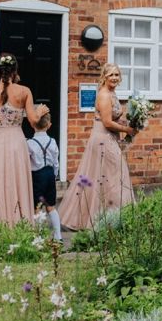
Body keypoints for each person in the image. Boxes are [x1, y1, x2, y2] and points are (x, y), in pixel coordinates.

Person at [0, 53, 48, 238]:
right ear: (15, 70)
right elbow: (33, 122)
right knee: (17, 182)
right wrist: (40, 112)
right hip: (16, 141)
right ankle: (19, 228)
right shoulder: (24, 91)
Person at [58, 63, 136, 231]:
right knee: (114, 176)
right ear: (104, 77)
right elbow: (107, 123)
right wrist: (127, 129)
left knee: (106, 178)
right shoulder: (104, 95)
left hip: (109, 138)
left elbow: (112, 118)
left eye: (117, 74)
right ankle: (106, 220)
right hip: (103, 139)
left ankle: (109, 218)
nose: (114, 78)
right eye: (111, 75)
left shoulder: (112, 93)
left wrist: (129, 122)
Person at [27, 112, 62, 242]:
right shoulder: (52, 141)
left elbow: (27, 162)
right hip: (50, 175)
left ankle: (39, 237)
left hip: (37, 177)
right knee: (51, 206)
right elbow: (56, 161)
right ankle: (58, 236)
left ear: (32, 124)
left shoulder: (30, 143)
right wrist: (55, 174)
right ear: (49, 125)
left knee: (37, 207)